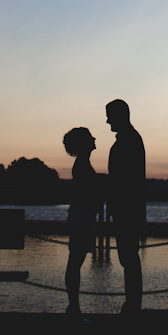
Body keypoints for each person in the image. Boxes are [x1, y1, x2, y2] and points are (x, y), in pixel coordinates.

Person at [106, 98, 145, 314]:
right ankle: (132, 304)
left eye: (110, 116)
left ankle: (132, 306)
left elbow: (125, 180)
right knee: (128, 257)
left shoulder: (128, 141)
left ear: (120, 116)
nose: (107, 121)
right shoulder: (131, 139)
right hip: (128, 208)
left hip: (126, 209)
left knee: (128, 257)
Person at [62, 126, 99, 321]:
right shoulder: (82, 165)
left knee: (75, 262)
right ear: (84, 143)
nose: (94, 139)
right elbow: (87, 194)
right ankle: (74, 309)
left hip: (81, 216)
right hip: (81, 217)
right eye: (90, 137)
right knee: (75, 263)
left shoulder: (82, 164)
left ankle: (74, 308)